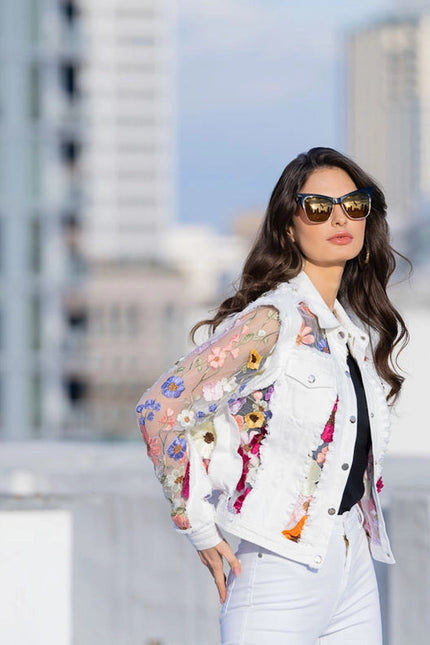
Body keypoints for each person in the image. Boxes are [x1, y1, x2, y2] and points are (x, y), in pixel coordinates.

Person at [136, 147, 409, 644]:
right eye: (319, 207)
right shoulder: (272, 320)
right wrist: (197, 525)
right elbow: (161, 409)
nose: (340, 218)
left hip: (353, 565)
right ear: (289, 226)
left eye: (354, 204)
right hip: (280, 570)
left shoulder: (351, 332)